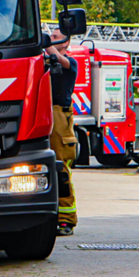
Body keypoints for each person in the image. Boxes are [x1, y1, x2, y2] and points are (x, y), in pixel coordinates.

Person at [46, 28, 78, 236]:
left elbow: (58, 58)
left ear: (66, 43)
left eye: (56, 36)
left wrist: (44, 43)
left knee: (61, 170)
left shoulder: (70, 62)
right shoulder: (45, 60)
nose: (51, 38)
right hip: (41, 112)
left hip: (58, 117)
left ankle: (66, 220)